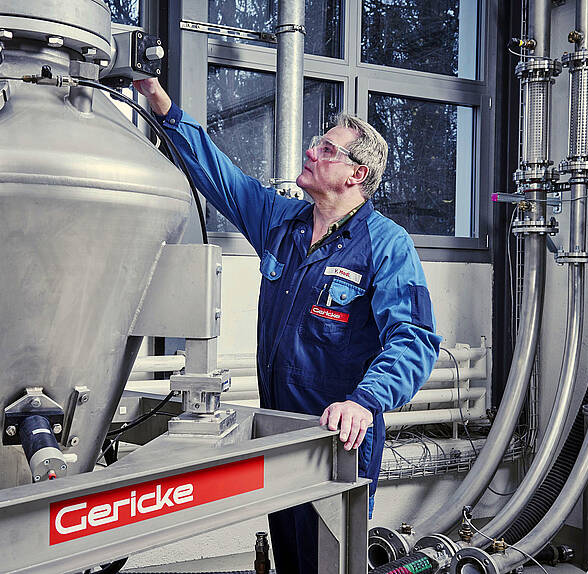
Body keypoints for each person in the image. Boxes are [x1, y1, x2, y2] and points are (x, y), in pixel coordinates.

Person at [133, 78, 442, 574]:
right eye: (317, 143)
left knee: (330, 562)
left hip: (337, 441)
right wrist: (164, 108)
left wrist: (365, 402)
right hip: (278, 436)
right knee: (291, 561)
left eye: (327, 149)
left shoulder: (386, 244)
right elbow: (223, 179)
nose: (311, 151)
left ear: (357, 174)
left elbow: (414, 339)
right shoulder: (284, 222)